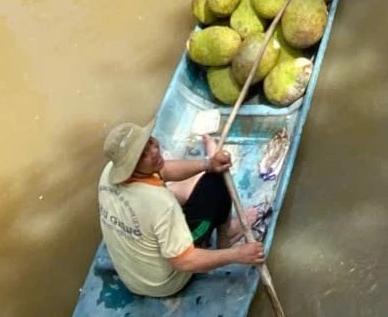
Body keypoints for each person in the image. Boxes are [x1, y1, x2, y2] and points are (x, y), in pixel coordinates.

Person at [97, 120, 265, 297]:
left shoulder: (109, 173)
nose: (154, 151)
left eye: (150, 142)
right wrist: (238, 254)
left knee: (184, 187)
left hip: (132, 278)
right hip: (166, 283)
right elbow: (185, 261)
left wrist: (208, 164)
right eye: (143, 155)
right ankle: (226, 235)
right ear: (132, 165)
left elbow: (163, 170)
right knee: (215, 182)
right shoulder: (162, 204)